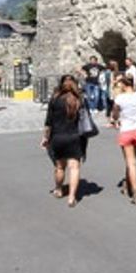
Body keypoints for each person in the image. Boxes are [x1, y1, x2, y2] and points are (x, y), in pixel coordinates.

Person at [41, 76, 86, 208]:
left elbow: (48, 122)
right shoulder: (79, 99)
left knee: (60, 167)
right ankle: (72, 197)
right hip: (75, 137)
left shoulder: (55, 99)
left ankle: (59, 189)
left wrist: (45, 138)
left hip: (58, 137)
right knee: (74, 167)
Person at [110, 75, 136, 205]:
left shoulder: (120, 98)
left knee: (131, 163)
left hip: (126, 130)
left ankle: (135, 191)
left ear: (124, 84)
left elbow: (114, 114)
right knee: (132, 161)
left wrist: (114, 119)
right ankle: (127, 185)